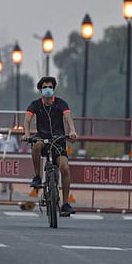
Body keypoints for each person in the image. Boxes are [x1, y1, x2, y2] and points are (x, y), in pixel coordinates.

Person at [22, 76, 79, 216]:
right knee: (35, 145)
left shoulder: (60, 103)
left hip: (58, 140)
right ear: (40, 89)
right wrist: (27, 133)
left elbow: (67, 116)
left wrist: (72, 130)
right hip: (43, 138)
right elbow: (28, 118)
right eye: (45, 87)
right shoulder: (35, 105)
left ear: (53, 89)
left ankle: (65, 203)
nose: (48, 89)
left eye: (50, 87)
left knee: (65, 168)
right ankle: (37, 176)